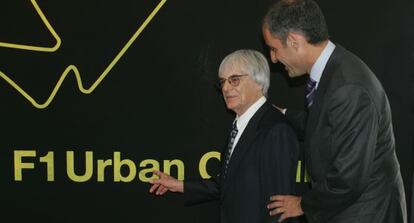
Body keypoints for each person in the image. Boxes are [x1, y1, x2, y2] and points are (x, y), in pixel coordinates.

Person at [261, 0, 407, 222]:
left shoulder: (348, 88)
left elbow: (348, 180)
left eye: (274, 49)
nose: (273, 58)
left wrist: (302, 204)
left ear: (293, 41)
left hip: (363, 214)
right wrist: (283, 113)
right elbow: (326, 126)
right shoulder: (332, 69)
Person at [149, 49, 300, 223]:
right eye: (222, 82)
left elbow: (279, 208)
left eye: (234, 80)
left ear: (259, 82)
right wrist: (179, 185)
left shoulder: (275, 129)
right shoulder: (241, 125)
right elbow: (230, 184)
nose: (226, 88)